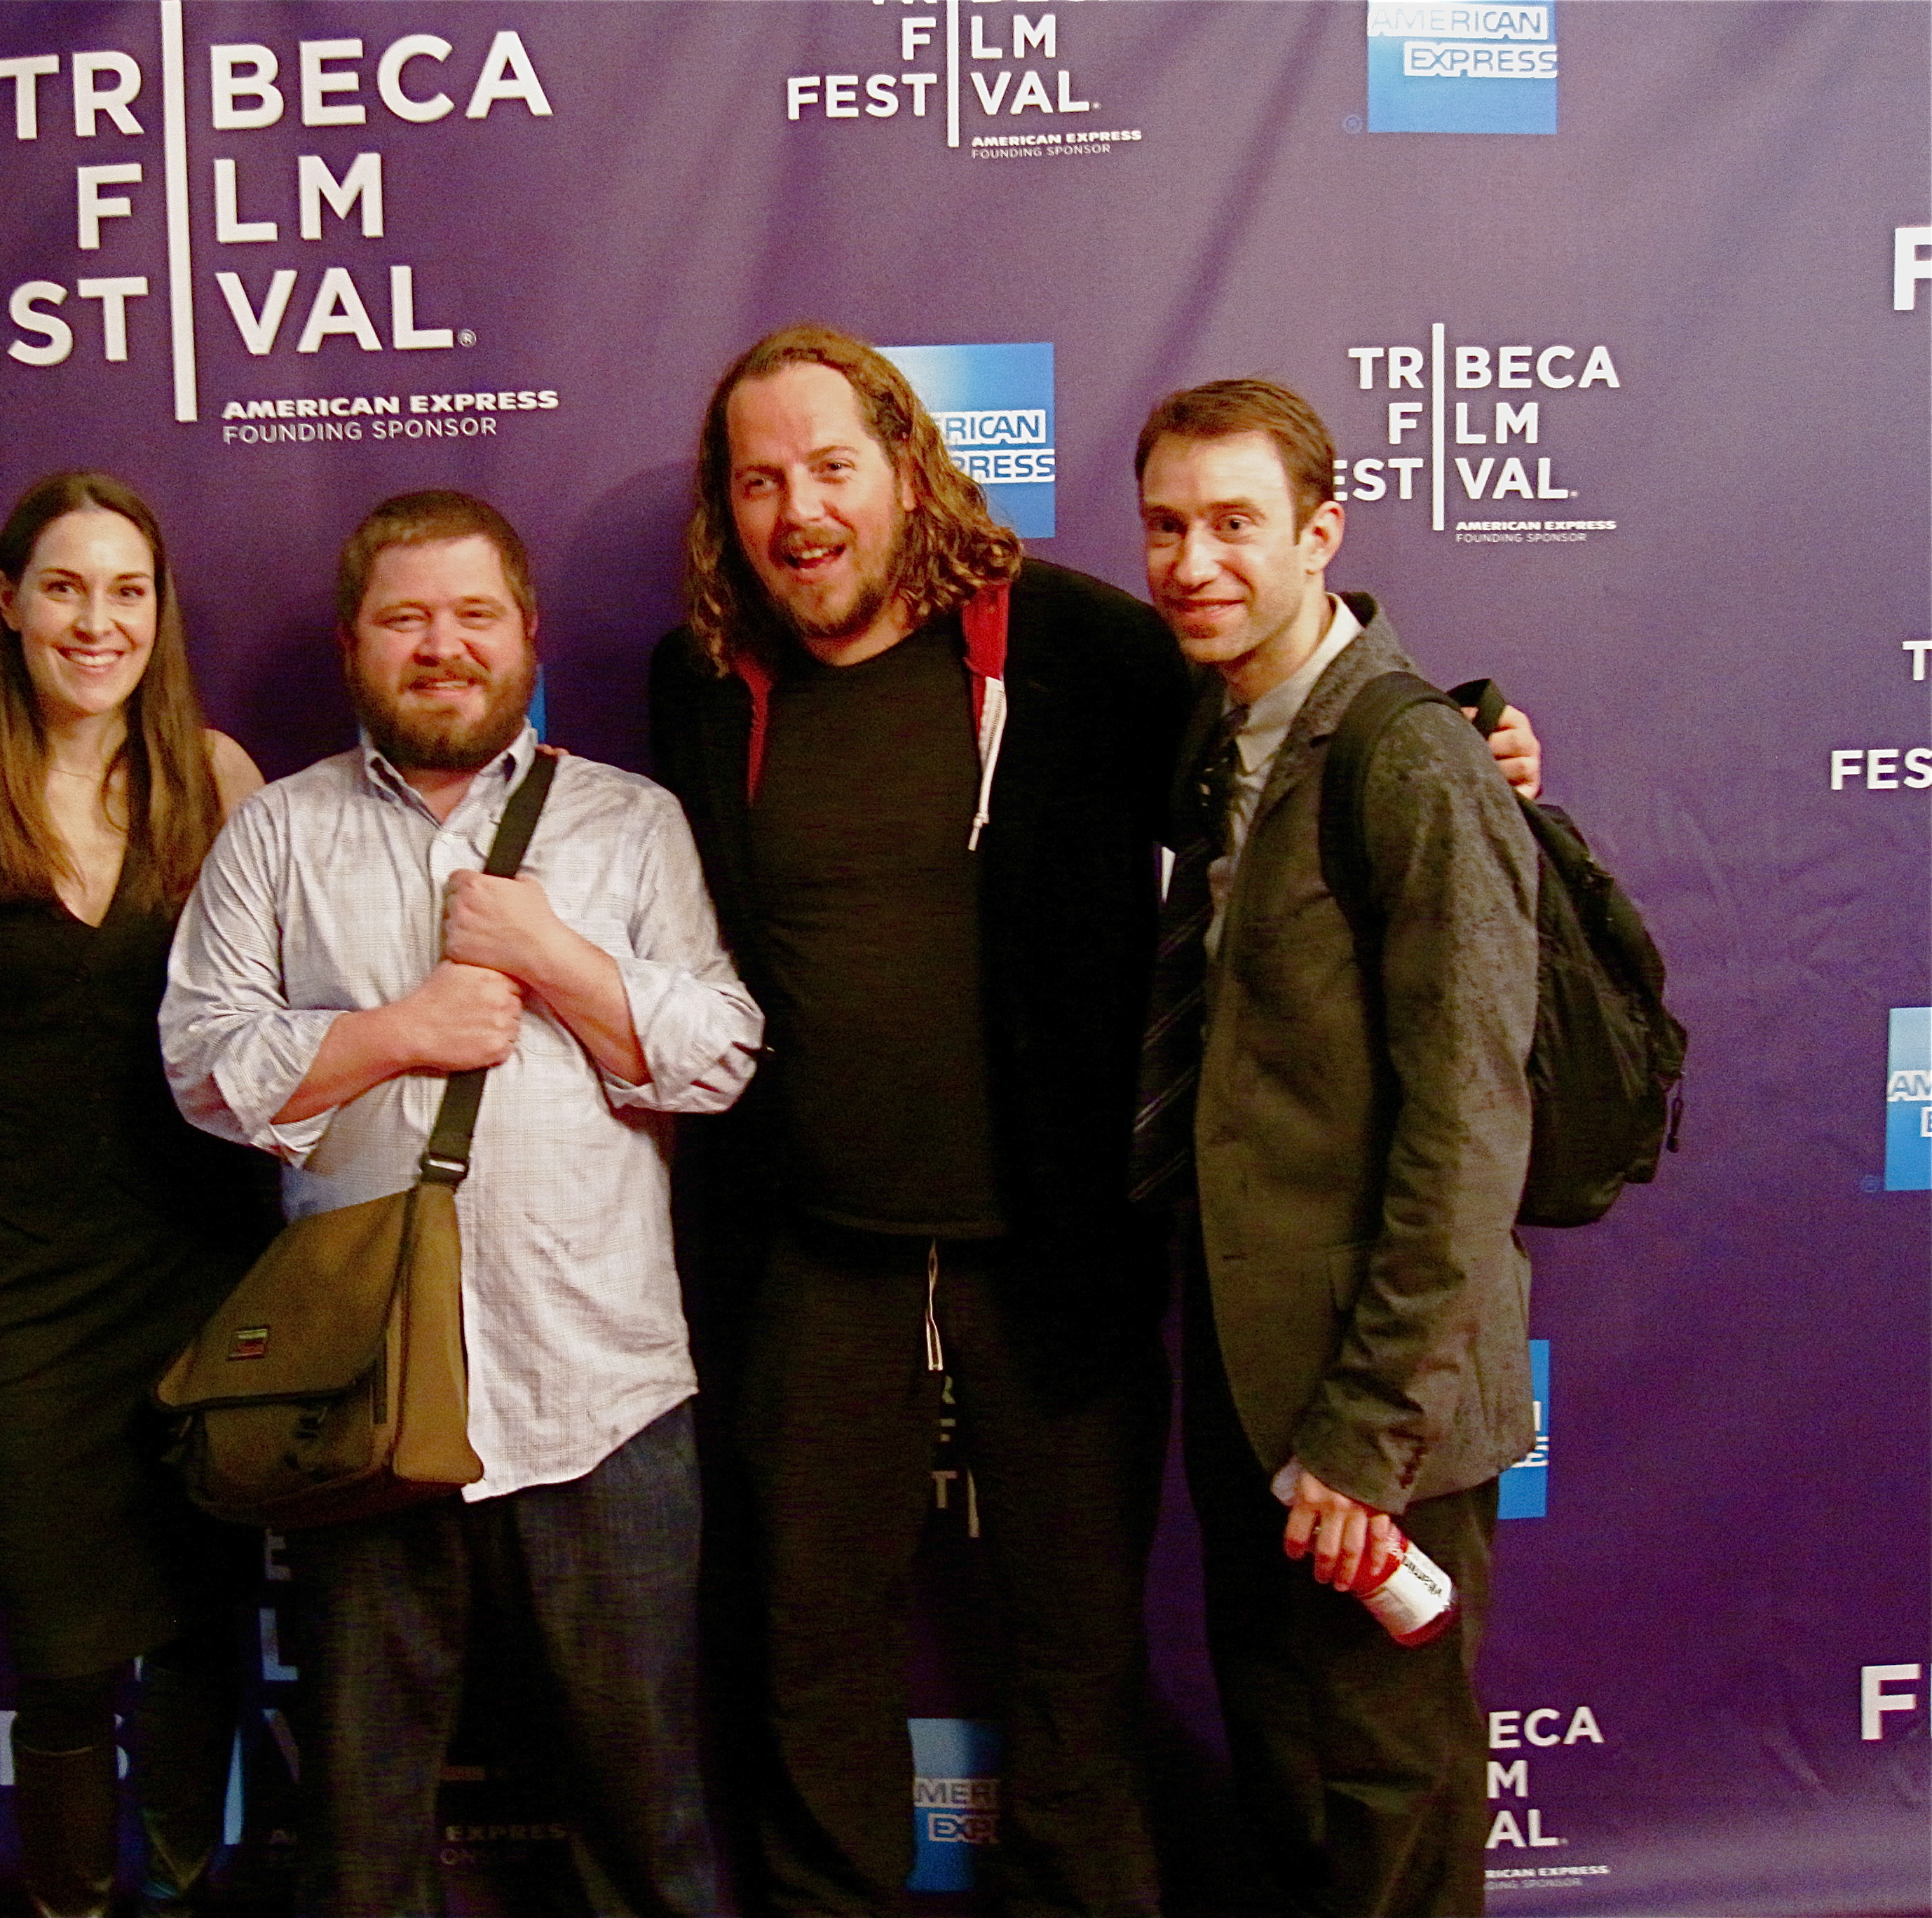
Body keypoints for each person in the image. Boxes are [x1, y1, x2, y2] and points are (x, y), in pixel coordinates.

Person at [646, 324, 1542, 1918]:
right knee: (805, 1639)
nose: (801, 511)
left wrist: (1466, 746)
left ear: (905, 463)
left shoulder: (1074, 647)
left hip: (1054, 1245)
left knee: (1078, 1651)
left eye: (833, 467)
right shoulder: (704, 681)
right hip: (813, 1250)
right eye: (762, 479)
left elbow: (1289, 762)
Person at [159, 489, 763, 1918]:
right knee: (362, 1844)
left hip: (599, 1396)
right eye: (407, 619)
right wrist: (397, 1031)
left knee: (649, 1826)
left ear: (528, 638)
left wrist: (558, 960)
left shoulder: (631, 826)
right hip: (364, 1404)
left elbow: (721, 1056)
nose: (444, 647)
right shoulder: (277, 837)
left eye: (474, 615)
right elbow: (201, 1063)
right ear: (353, 645)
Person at [1129, 379, 1536, 1918]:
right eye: (1168, 526)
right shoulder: (1226, 733)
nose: (1194, 561)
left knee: (1391, 1808)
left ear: (1322, 535)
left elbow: (1469, 1131)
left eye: (1236, 524)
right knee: (1294, 1790)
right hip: (1253, 1380)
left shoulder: (1410, 759)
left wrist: (1373, 1432)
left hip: (1387, 1404)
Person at [0, 471, 274, 1918]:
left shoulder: (217, 779)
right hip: (25, 1283)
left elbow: (278, 1020)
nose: (97, 623)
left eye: (128, 592)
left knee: (209, 1628)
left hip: (209, 1266)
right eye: (65, 588)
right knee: (62, 1652)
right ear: (8, 604)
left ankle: (181, 1884)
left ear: (158, 617)